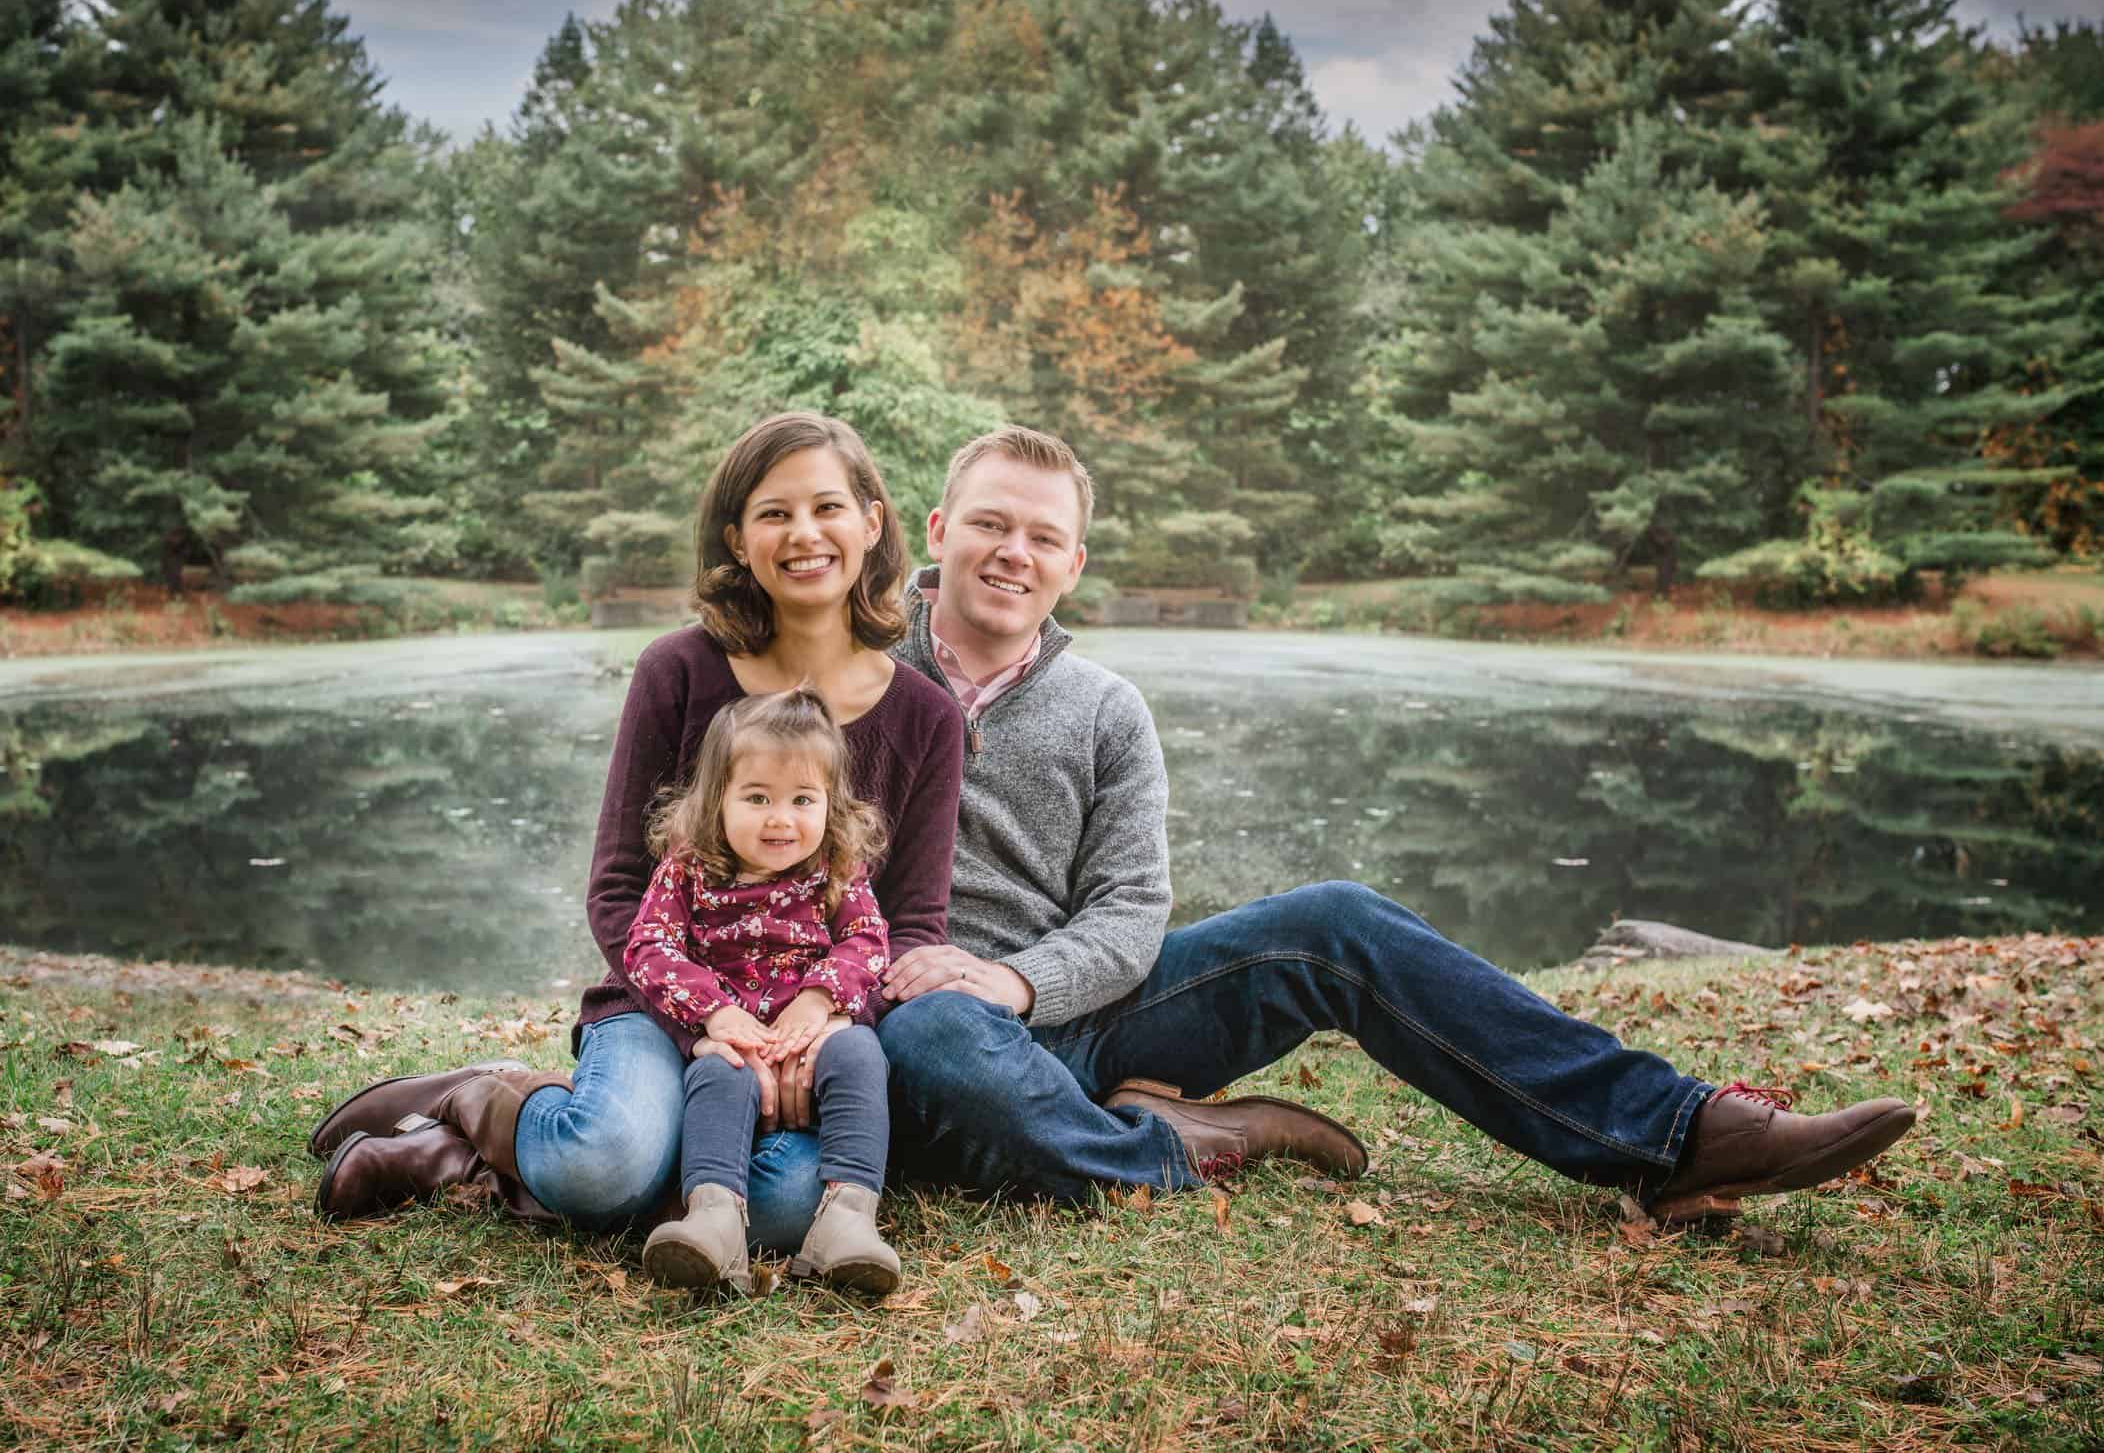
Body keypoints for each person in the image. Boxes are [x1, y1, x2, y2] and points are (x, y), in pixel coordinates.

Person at [738, 424, 1916, 1228]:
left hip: (1081, 1013)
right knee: (939, 1032)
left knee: (1337, 921)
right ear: (937, 529)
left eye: (1044, 537)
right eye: (992, 524)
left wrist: (1022, 983)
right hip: (908, 1026)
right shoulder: (849, 680)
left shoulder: (1105, 710)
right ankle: (1178, 1147)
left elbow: (1132, 913)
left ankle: (1674, 1136)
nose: (1014, 553)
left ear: (1075, 562)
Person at [310, 412, 965, 1253]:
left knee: (792, 1200)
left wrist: (830, 1018)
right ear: (738, 540)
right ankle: (480, 1105)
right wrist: (707, 1020)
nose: (804, 534)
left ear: (871, 523)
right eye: (774, 513)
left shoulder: (927, 717)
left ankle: (480, 1160)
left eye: (828, 507)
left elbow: (911, 927)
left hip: (811, 1023)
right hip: (663, 1004)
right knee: (608, 1160)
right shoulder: (677, 671)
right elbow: (619, 889)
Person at [624, 685, 901, 1295]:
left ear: (830, 803)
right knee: (719, 1073)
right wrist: (714, 1014)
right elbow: (649, 947)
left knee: (859, 1054)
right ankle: (714, 1220)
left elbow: (867, 940)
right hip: (733, 1040)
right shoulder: (689, 869)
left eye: (803, 799)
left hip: (810, 1037)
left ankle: (849, 1219)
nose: (781, 818)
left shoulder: (835, 867)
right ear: (716, 799)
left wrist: (819, 999)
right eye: (757, 798)